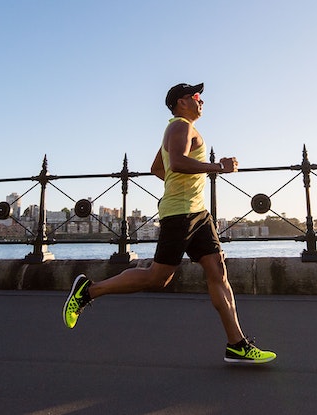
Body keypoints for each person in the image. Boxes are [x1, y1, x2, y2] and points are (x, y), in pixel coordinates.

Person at [63, 82, 276, 364]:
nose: (202, 101)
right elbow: (176, 163)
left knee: (218, 271)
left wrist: (182, 187)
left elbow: (157, 168)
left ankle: (237, 344)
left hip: (198, 213)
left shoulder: (182, 128)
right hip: (180, 214)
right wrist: (217, 168)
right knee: (158, 277)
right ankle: (87, 291)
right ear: (180, 102)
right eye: (196, 96)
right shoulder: (180, 127)